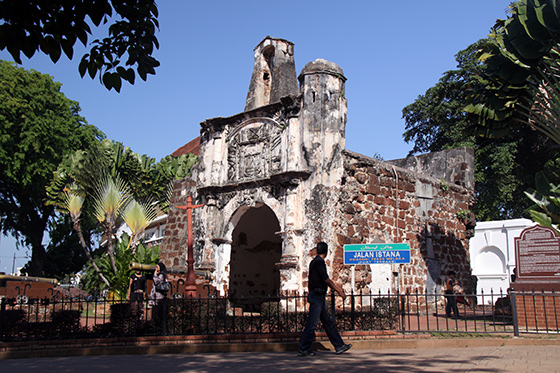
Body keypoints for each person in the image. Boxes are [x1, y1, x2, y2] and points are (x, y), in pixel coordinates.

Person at [298, 242, 352, 356]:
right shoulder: (319, 262)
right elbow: (326, 279)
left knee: (328, 322)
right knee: (312, 324)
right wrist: (339, 290)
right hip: (317, 296)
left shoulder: (314, 262)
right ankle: (304, 348)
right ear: (326, 252)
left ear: (317, 251)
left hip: (318, 296)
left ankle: (339, 345)